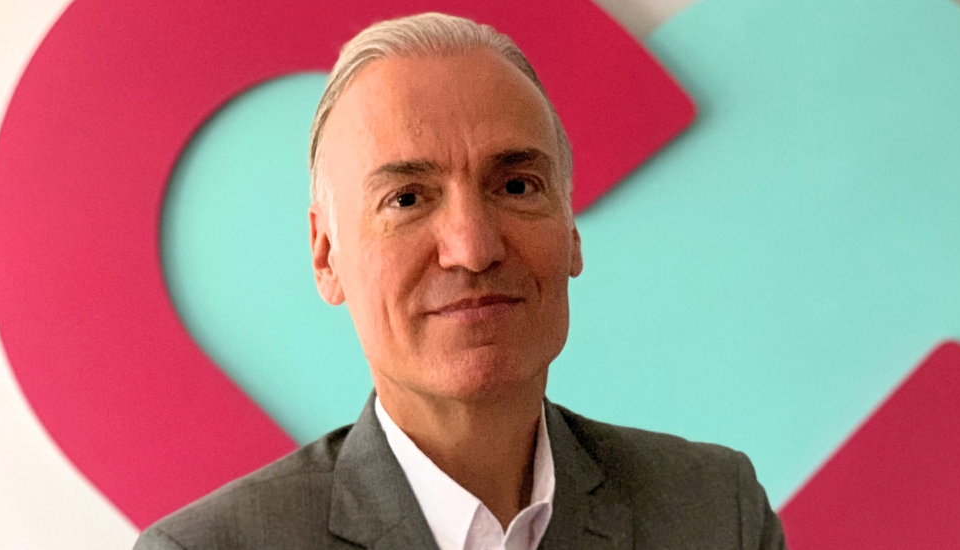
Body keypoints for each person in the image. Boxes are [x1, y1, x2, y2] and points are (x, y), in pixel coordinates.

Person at [134, 12, 786, 550]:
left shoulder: (714, 514)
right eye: (407, 199)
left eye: (516, 186)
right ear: (327, 256)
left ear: (570, 230)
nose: (472, 250)